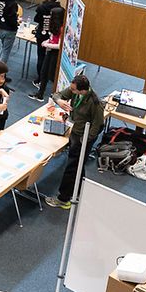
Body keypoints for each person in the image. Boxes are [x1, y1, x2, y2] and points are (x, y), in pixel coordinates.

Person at [44, 74, 107, 209]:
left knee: (72, 167)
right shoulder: (75, 91)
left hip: (83, 137)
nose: (70, 91)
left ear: (82, 90)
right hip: (76, 132)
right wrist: (59, 101)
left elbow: (98, 125)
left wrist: (84, 140)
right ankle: (78, 191)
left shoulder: (95, 103)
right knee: (78, 165)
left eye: (73, 89)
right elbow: (56, 95)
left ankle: (63, 199)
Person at [30, 0, 65, 101]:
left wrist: (47, 44)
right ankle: (40, 93)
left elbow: (59, 44)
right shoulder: (54, 25)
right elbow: (52, 38)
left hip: (55, 52)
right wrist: (47, 41)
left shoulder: (61, 28)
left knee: (52, 73)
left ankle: (57, 95)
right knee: (44, 71)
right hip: (49, 48)